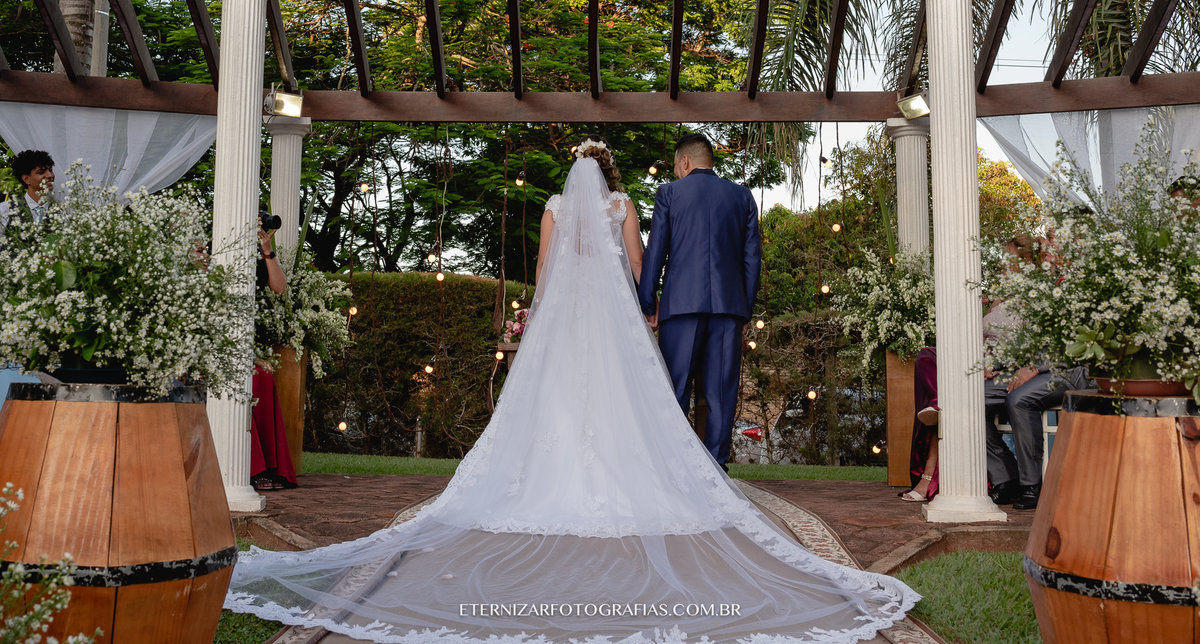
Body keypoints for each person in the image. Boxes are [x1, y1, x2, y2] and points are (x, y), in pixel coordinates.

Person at [224, 139, 917, 643]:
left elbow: (548, 274)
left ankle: (594, 467)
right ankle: (703, 466)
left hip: (585, 322)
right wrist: (642, 307)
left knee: (581, 400)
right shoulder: (638, 203)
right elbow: (647, 265)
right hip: (648, 315)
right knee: (669, 400)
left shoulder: (563, 205)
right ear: (611, 177)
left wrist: (543, 323)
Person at [638, 133, 762, 470]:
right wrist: (745, 309)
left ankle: (674, 472)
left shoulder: (669, 193)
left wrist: (647, 303)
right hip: (728, 309)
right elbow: (752, 259)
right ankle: (717, 472)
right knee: (721, 394)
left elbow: (656, 251)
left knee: (675, 392)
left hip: (680, 308)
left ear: (685, 162)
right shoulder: (741, 196)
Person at [983, 234, 1088, 511]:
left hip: (1069, 368)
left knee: (1019, 399)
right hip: (1030, 367)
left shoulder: (1080, 282)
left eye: (1053, 242)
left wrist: (1034, 367)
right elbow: (1023, 340)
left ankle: (1032, 486)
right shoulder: (1043, 285)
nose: (1048, 247)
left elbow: (1074, 343)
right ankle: (1007, 477)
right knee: (971, 396)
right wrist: (996, 364)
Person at [0, 150, 55, 409]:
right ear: (26, 178)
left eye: (50, 170)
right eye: (41, 171)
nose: (50, 175)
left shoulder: (64, 213)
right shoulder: (4, 211)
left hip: (52, 302)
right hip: (13, 301)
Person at [250, 215, 295, 491]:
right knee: (254, 378)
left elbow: (279, 287)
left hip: (245, 343)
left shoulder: (256, 257)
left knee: (262, 376)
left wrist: (267, 248)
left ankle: (269, 466)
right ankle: (251, 468)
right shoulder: (213, 249)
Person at [903, 347, 939, 502]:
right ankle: (937, 401)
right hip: (968, 357)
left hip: (998, 366)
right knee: (926, 355)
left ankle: (928, 477)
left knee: (945, 408)